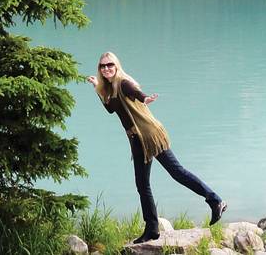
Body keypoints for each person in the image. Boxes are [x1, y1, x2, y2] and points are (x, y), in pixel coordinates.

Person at [86, 51, 226, 244]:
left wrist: (145, 99)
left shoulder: (123, 83)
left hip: (149, 136)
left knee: (176, 172)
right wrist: (97, 87)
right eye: (102, 66)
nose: (106, 68)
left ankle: (215, 200)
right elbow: (111, 109)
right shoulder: (109, 88)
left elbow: (136, 93)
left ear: (117, 65)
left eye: (110, 64)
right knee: (142, 184)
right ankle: (152, 228)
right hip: (137, 139)